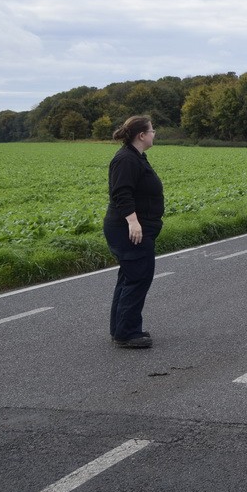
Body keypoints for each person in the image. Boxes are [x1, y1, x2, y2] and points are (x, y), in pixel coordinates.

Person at [103, 116, 164, 349]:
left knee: (129, 278)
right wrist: (133, 222)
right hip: (128, 229)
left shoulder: (135, 157)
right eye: (152, 130)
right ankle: (127, 333)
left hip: (132, 228)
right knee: (137, 278)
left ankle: (120, 329)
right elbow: (121, 193)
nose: (154, 133)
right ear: (141, 135)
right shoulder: (126, 159)